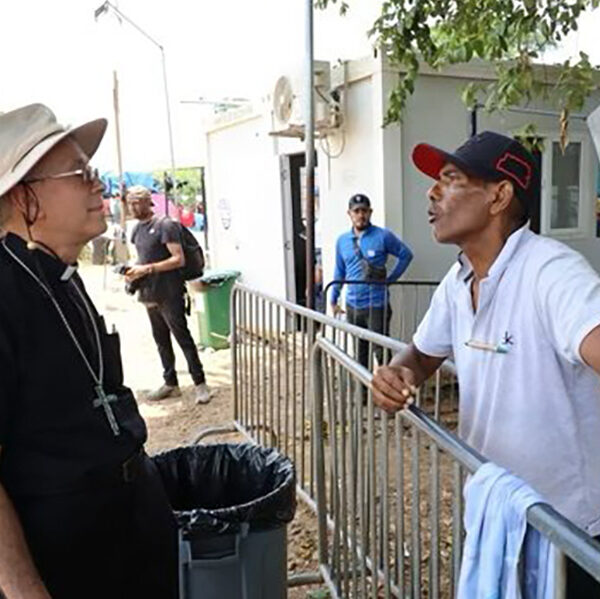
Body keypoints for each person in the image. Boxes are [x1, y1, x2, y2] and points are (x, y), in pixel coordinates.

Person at [372, 131, 600, 596]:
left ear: (500, 195)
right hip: (500, 515)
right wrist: (399, 373)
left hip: (571, 530)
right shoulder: (458, 282)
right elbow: (420, 354)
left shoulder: (551, 272)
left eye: (451, 179)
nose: (433, 192)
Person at [0, 104, 177, 599]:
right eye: (81, 174)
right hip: (66, 557)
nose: (99, 185)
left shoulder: (62, 274)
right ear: (25, 196)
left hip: (129, 528)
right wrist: (23, 588)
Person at [126, 185, 213, 404]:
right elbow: (141, 258)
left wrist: (147, 269)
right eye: (130, 202)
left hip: (170, 292)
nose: (133, 206)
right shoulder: (136, 230)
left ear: (149, 201)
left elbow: (178, 259)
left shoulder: (166, 225)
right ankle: (170, 383)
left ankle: (200, 383)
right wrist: (133, 273)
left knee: (183, 337)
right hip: (149, 292)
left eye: (138, 201)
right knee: (160, 340)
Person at [331, 193, 413, 367]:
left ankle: (389, 392)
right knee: (360, 355)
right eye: (356, 211)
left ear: (370, 212)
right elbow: (339, 271)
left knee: (381, 352)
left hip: (377, 305)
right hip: (353, 306)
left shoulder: (383, 236)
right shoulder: (342, 241)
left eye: (364, 211)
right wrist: (333, 298)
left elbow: (406, 255)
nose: (361, 215)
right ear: (349, 213)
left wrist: (390, 280)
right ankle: (363, 393)